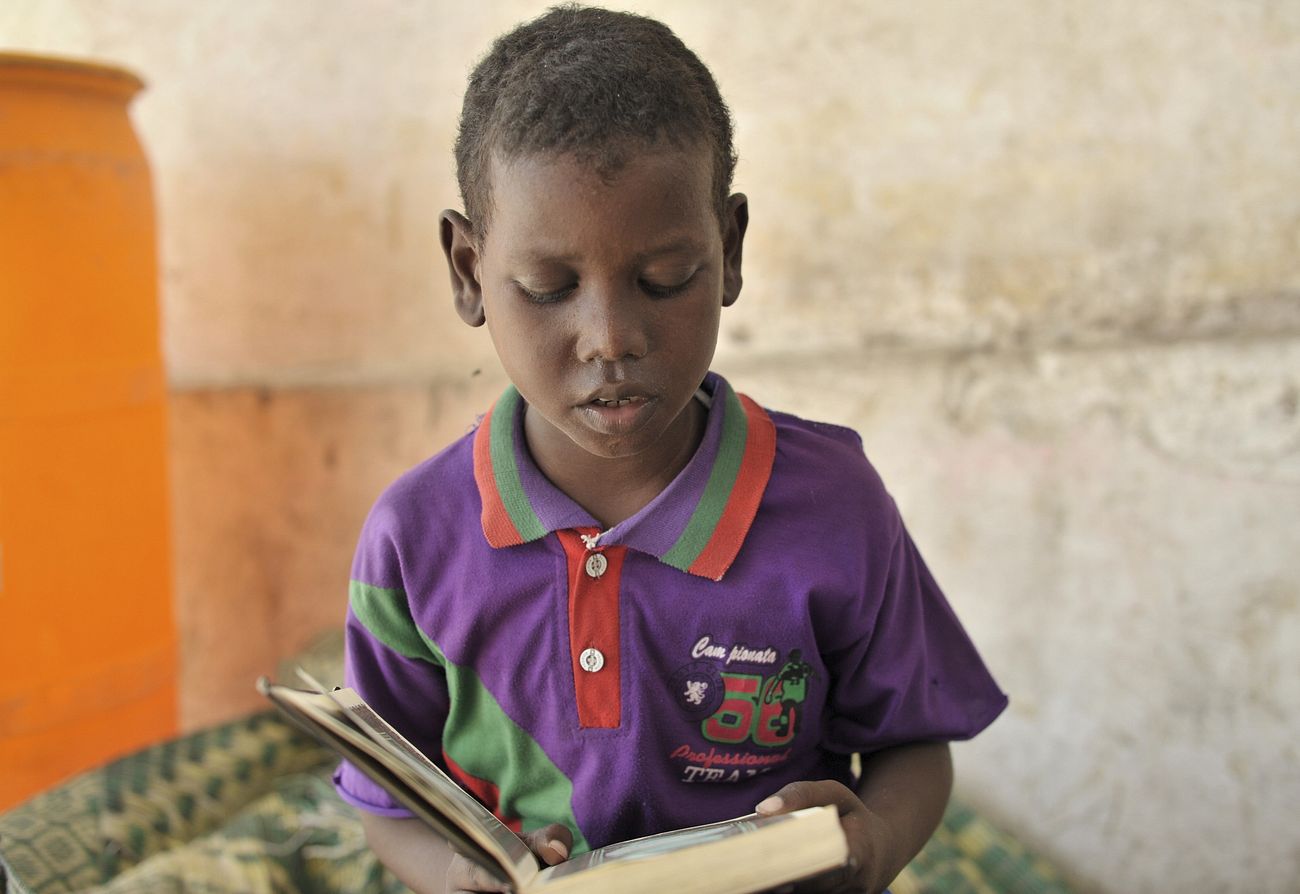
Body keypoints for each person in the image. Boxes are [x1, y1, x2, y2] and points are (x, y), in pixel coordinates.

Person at [335, 6, 1007, 893]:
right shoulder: (414, 541)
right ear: (469, 270)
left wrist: (872, 840)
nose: (610, 337)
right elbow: (388, 802)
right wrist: (449, 871)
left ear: (727, 251)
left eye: (664, 280)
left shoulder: (833, 507)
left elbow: (914, 744)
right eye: (549, 287)